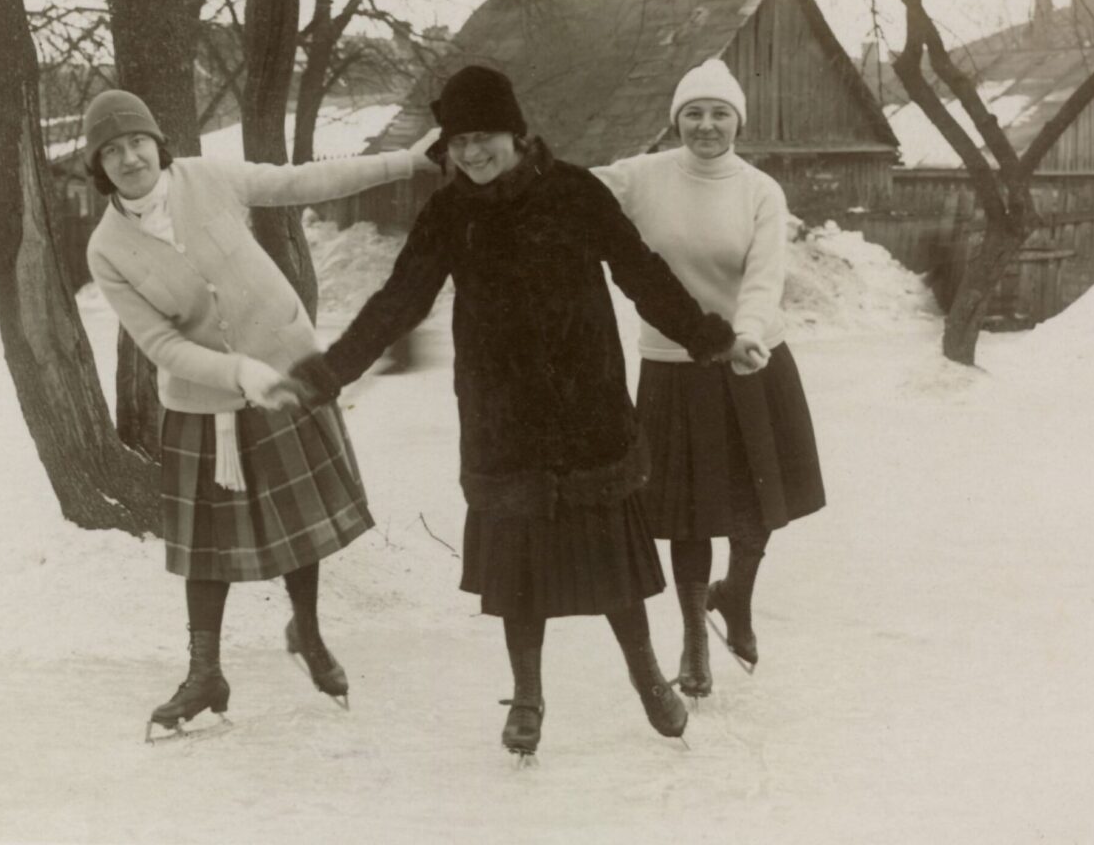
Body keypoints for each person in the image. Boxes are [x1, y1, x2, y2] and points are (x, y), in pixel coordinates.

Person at [285, 66, 762, 759]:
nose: (471, 154)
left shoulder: (574, 191)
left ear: (515, 133)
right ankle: (528, 696)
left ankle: (647, 677)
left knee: (612, 567)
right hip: (499, 411)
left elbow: (640, 271)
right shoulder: (450, 211)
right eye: (458, 143)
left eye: (483, 138)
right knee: (518, 571)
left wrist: (707, 337)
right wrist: (331, 371)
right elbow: (401, 297)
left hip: (585, 405)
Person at [81, 89, 439, 740]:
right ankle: (204, 671)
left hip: (285, 367)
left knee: (298, 522)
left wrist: (404, 163)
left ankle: (306, 629)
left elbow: (303, 181)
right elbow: (160, 344)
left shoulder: (207, 177)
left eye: (136, 141)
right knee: (204, 548)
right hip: (203, 400)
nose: (129, 157)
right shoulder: (106, 250)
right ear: (98, 167)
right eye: (110, 150)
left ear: (156, 144)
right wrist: (232, 373)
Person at [591, 58, 826, 699]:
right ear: (676, 120)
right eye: (693, 112)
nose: (706, 124)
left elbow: (765, 275)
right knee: (689, 516)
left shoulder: (759, 190)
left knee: (759, 508)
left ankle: (736, 596)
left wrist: (746, 331)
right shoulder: (640, 177)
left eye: (719, 112)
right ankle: (695, 640)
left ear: (737, 122)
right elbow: (569, 194)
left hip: (750, 357)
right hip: (674, 367)